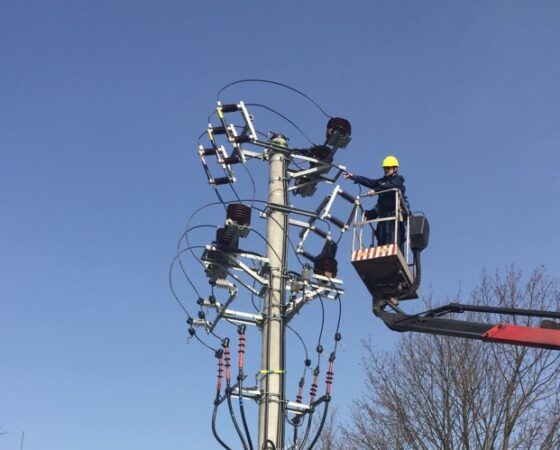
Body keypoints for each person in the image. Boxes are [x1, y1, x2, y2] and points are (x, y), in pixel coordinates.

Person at [344, 155, 410, 249]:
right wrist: (354, 177)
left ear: (395, 169)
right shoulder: (381, 181)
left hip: (394, 217)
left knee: (393, 240)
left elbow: (391, 186)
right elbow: (369, 182)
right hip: (383, 217)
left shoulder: (399, 179)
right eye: (384, 168)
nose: (385, 170)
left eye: (388, 168)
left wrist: (376, 191)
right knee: (381, 238)